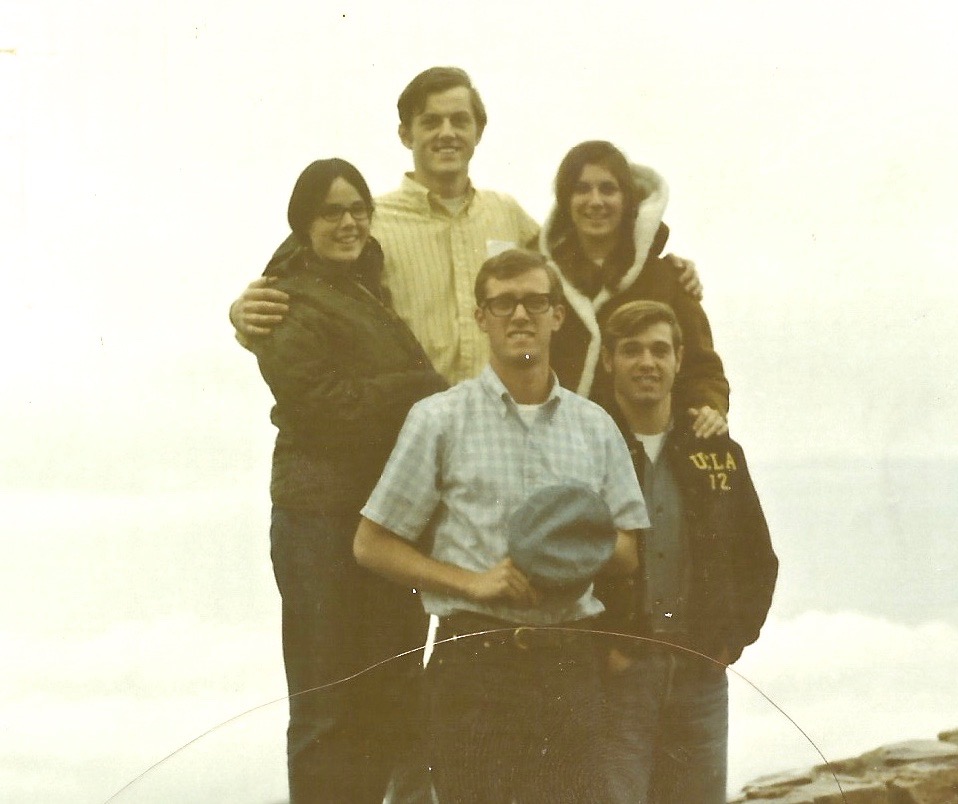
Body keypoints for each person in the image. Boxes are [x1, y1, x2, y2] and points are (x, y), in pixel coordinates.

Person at [352, 248, 651, 803]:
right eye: (503, 303)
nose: (520, 315)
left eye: (536, 302)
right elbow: (372, 544)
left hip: (568, 662)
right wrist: (472, 583)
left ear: (558, 315)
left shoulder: (596, 425)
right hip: (474, 665)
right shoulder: (439, 418)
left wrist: (558, 547)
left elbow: (628, 550)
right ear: (481, 317)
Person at [229, 69, 702, 381]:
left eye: (460, 120)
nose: (447, 133)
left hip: (499, 430)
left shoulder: (508, 215)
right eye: (430, 122)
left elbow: (584, 264)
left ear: (478, 131)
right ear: (405, 134)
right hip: (408, 429)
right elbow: (298, 279)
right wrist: (240, 313)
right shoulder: (367, 219)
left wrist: (665, 263)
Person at [251, 158, 447, 804]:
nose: (348, 223)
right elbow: (325, 408)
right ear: (303, 223)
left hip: (381, 520)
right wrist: (419, 388)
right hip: (317, 521)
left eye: (358, 209)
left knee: (386, 698)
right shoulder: (284, 299)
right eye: (331, 212)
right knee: (326, 705)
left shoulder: (363, 285)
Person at [595, 300, 779, 804]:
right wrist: (602, 649)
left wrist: (729, 643)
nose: (647, 363)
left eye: (660, 350)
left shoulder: (717, 453)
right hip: (617, 677)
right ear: (608, 360)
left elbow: (758, 560)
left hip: (700, 677)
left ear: (679, 359)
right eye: (632, 350)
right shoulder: (587, 448)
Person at [539, 140, 729, 437]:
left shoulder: (668, 279)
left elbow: (702, 368)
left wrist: (709, 407)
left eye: (608, 189)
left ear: (627, 199)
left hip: (648, 444)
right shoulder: (541, 279)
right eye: (581, 189)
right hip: (561, 442)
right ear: (565, 200)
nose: (595, 201)